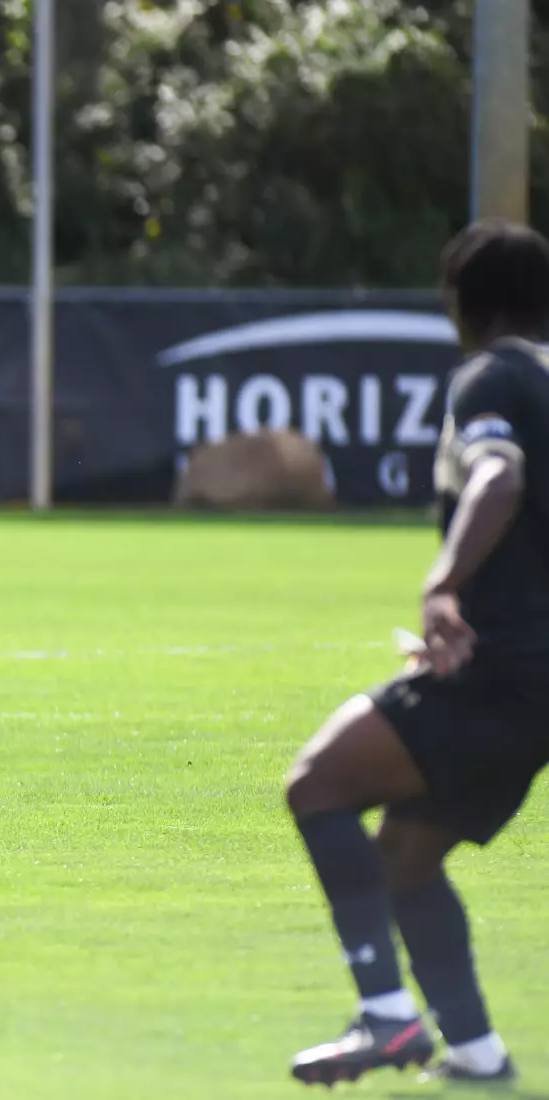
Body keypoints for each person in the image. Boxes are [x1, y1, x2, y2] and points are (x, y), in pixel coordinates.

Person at [285, 217, 549, 1086]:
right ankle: (474, 1049)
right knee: (406, 854)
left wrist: (444, 586)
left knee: (318, 785)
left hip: (503, 670)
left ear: (461, 302)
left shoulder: (491, 377)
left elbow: (498, 474)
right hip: (531, 680)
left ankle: (387, 1018)